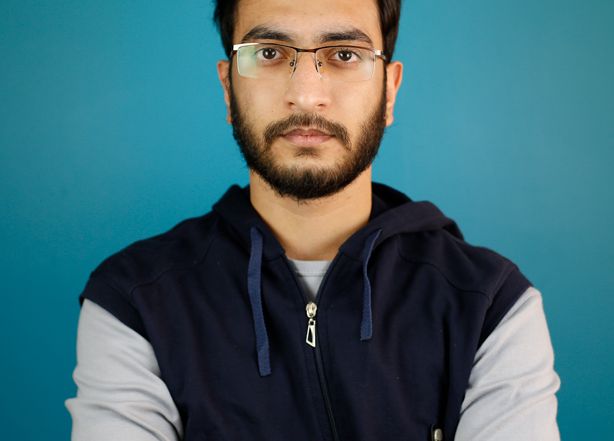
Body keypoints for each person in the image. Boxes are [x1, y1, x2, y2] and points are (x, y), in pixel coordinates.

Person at [66, 0, 561, 439]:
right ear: (228, 88)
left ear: (389, 91)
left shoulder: (492, 307)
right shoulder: (132, 304)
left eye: (344, 54)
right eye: (268, 53)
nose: (305, 95)